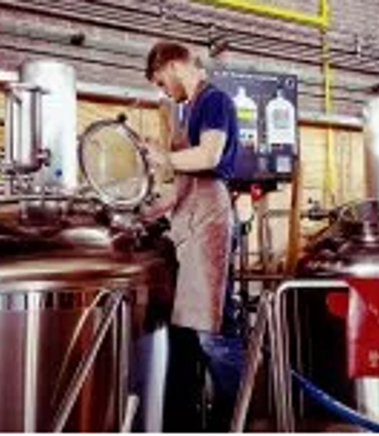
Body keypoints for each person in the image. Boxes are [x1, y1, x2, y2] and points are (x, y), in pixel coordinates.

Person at [142, 40, 244, 432]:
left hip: (209, 222)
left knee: (213, 334)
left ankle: (234, 420)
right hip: (190, 221)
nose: (164, 91)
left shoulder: (214, 100)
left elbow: (209, 157)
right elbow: (180, 188)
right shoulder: (188, 109)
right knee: (189, 334)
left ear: (173, 65)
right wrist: (143, 212)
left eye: (160, 82)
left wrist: (163, 158)